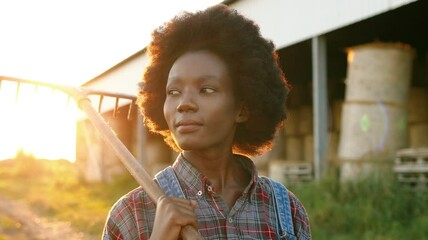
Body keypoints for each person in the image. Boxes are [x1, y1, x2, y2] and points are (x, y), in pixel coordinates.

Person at [102, 4, 311, 240]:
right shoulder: (132, 214)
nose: (184, 103)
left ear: (242, 109)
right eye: (173, 92)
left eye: (206, 89)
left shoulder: (285, 211)